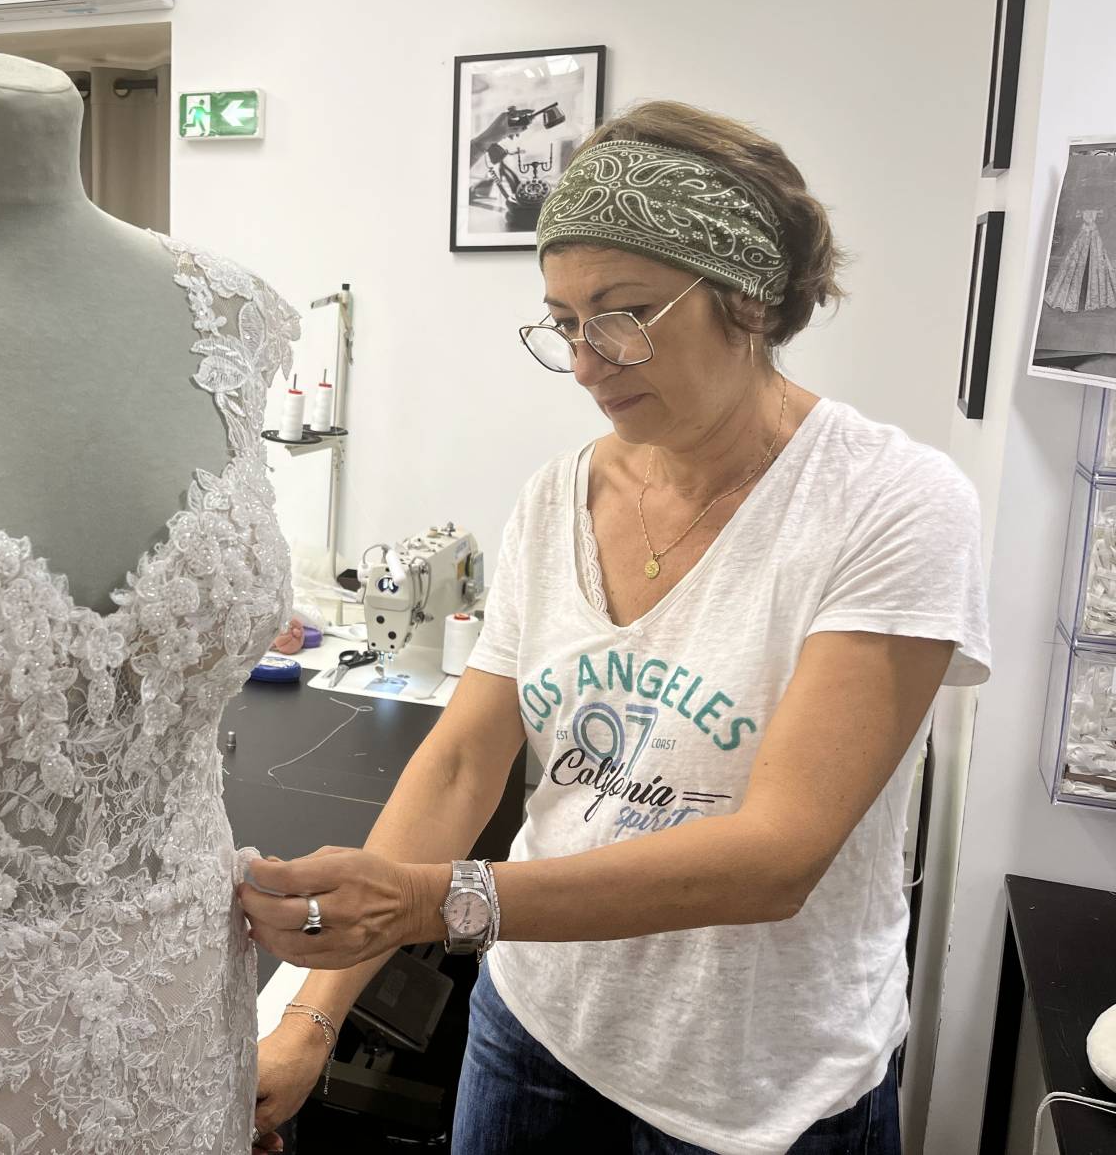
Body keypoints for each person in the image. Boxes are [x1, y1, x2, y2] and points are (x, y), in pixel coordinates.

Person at [241, 101, 991, 1155]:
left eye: (623, 312)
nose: (588, 360)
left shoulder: (889, 503)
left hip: (754, 1090)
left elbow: (776, 859)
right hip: (536, 1031)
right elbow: (463, 765)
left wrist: (428, 903)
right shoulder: (560, 496)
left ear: (748, 298)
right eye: (563, 322)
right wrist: (307, 1016)